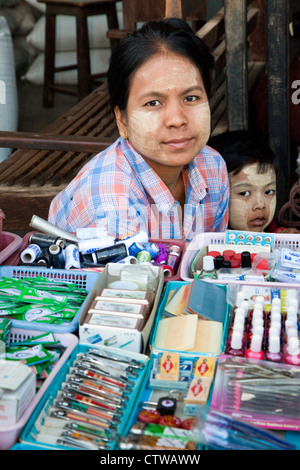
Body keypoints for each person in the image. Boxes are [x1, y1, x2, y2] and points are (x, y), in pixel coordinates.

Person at [48, 19, 229, 241]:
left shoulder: (212, 167)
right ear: (122, 120)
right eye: (153, 102)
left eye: (191, 98)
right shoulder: (111, 206)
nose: (177, 119)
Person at [208, 129, 299, 234]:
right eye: (244, 193)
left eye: (269, 191)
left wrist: (284, 234)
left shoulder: (274, 231)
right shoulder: (204, 242)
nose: (260, 205)